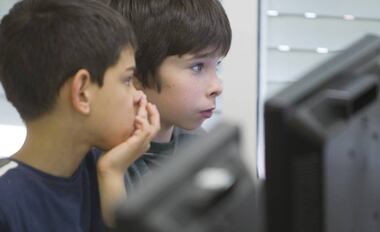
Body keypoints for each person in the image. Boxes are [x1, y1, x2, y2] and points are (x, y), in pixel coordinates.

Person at [0, 0, 160, 231]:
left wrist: (112, 174)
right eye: (127, 80)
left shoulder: (103, 166)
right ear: (82, 93)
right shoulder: (7, 202)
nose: (139, 97)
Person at [104, 0, 232, 191]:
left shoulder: (199, 145)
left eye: (217, 65)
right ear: (135, 73)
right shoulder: (108, 162)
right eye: (197, 67)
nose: (217, 87)